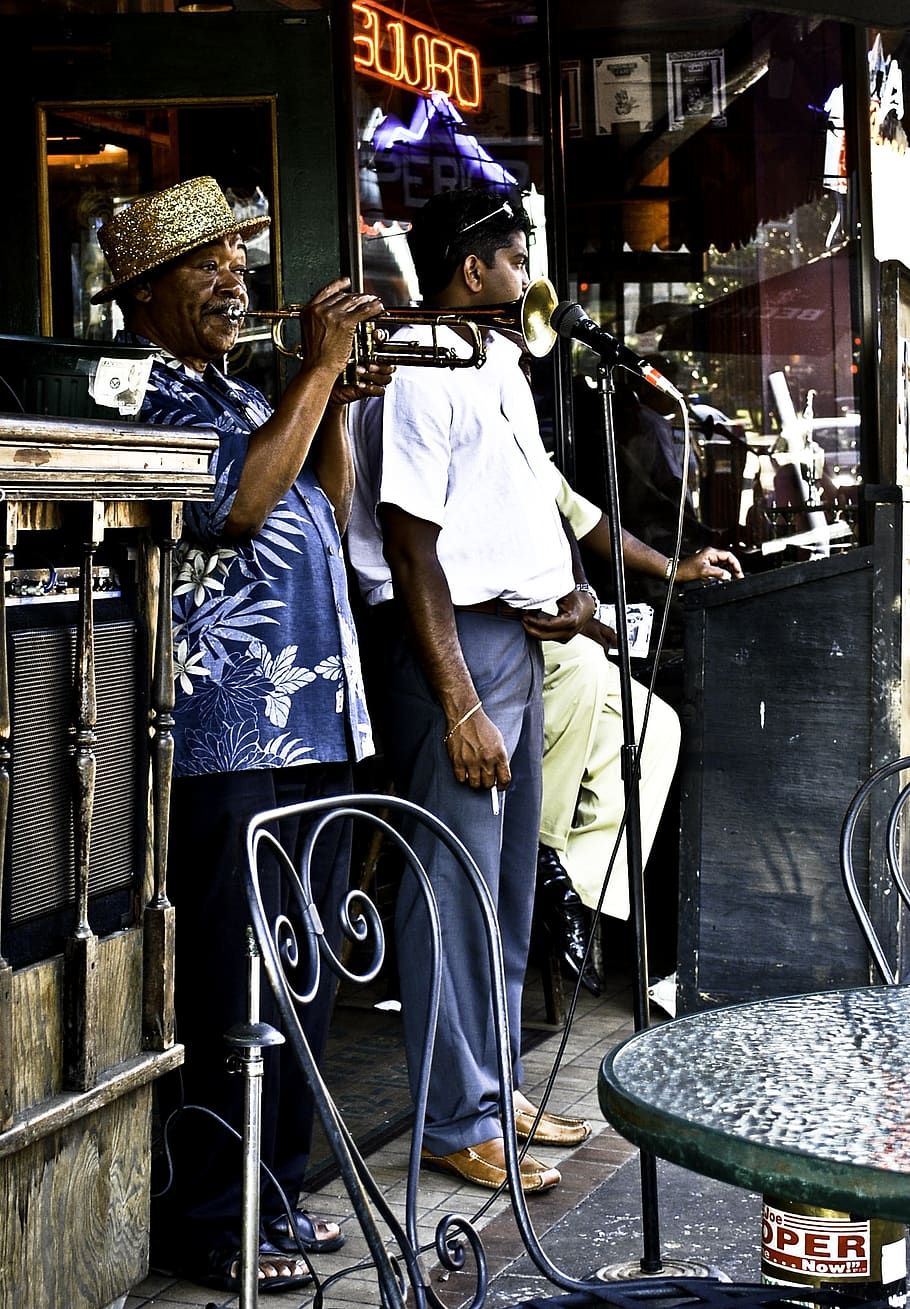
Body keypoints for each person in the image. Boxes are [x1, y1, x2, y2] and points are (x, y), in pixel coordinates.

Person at [89, 175, 391, 1295]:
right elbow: (237, 508)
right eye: (207, 265)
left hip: (303, 725)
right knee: (232, 985)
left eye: (240, 262)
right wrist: (314, 370)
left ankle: (277, 1191)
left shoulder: (229, 388)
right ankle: (214, 1218)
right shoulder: (143, 394)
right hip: (226, 740)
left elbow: (323, 496)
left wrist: (339, 401)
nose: (237, 280)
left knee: (297, 977)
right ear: (143, 292)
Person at [347, 185, 596, 1194]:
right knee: (448, 886)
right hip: (447, 646)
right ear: (471, 266)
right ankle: (456, 1116)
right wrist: (457, 701)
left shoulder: (498, 362)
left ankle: (491, 1085)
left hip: (517, 640)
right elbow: (409, 546)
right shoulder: (417, 368)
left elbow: (527, 503)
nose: (528, 271)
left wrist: (571, 591)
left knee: (500, 891)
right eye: (515, 254)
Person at [535, 470, 743, 996]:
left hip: (556, 626)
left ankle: (569, 887)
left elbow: (588, 519)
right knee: (581, 661)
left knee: (656, 725)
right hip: (490, 627)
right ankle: (537, 853)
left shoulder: (513, 415)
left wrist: (676, 568)